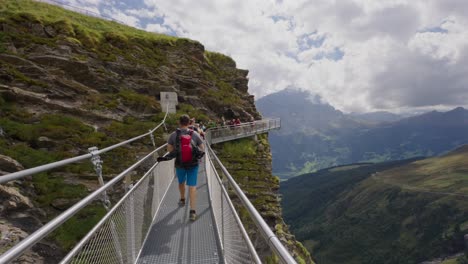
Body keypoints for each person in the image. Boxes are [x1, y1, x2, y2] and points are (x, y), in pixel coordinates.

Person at [157, 114, 204, 221]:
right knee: (192, 187)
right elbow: (202, 147)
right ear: (189, 123)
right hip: (193, 164)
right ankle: (192, 212)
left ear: (179, 123)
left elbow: (169, 150)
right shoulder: (195, 134)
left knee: (181, 182)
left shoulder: (173, 135)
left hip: (179, 163)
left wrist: (178, 149)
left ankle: (182, 199)